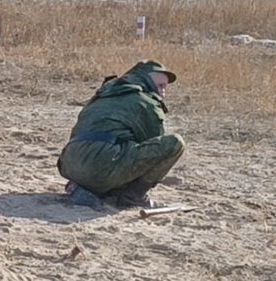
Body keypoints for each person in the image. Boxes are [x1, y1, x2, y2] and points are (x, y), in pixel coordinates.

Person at [57, 60, 184, 209]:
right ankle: (133, 197)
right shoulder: (146, 102)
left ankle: (80, 185)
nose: (163, 91)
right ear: (147, 81)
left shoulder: (103, 94)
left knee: (116, 150)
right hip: (100, 165)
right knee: (175, 143)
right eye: (161, 86)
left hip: (68, 164)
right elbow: (152, 147)